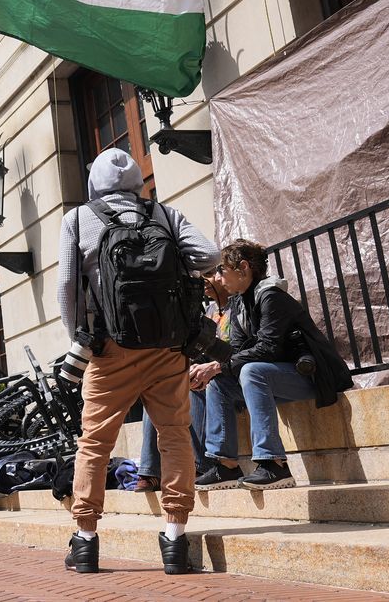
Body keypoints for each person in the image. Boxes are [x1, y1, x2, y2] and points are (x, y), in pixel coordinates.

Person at [56, 148, 218, 576]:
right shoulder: (166, 215)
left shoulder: (78, 219)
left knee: (95, 443)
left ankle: (86, 541)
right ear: (137, 182)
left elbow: (67, 286)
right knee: (175, 436)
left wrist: (82, 339)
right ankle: (174, 537)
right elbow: (212, 256)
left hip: (111, 351)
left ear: (95, 183)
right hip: (166, 348)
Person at [195, 239, 345, 491]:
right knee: (219, 383)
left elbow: (268, 348)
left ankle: (274, 463)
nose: (218, 278)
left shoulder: (271, 297)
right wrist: (209, 363)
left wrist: (219, 366)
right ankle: (225, 466)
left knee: (251, 371)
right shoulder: (240, 302)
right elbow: (239, 351)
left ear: (243, 267)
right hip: (274, 378)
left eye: (222, 269)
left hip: (312, 377)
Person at [135, 268, 238, 490]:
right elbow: (198, 351)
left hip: (229, 376)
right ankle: (151, 471)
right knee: (156, 391)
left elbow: (238, 352)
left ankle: (201, 464)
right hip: (207, 372)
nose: (206, 281)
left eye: (211, 273)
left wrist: (209, 368)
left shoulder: (238, 307)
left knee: (197, 388)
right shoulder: (209, 310)